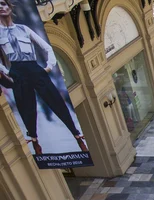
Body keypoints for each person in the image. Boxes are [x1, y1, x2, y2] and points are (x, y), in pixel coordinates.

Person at [0, 0, 88, 155]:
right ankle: (35, 141)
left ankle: (77, 136)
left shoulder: (24, 29)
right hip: (17, 71)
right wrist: (6, 71)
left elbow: (46, 47)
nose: (1, 7)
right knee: (26, 109)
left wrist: (49, 66)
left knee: (56, 101)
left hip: (34, 67)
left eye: (3, 4)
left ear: (9, 7)